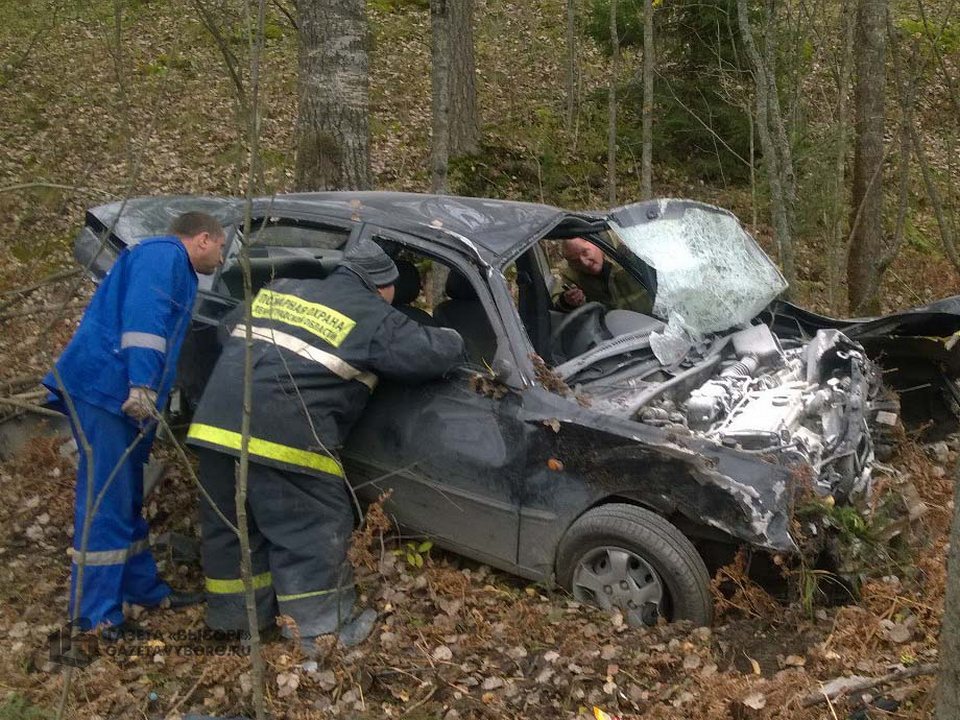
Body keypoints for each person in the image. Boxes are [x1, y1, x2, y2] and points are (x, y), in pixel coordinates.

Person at [186, 238, 465, 648]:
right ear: (382, 287)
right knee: (311, 529)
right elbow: (429, 354)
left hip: (215, 426)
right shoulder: (373, 315)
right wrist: (458, 337)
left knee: (232, 529)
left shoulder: (282, 291)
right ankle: (320, 632)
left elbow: (228, 330)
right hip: (284, 440)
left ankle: (237, 621)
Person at [43, 211, 226, 634]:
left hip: (114, 392)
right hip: (110, 391)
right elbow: (144, 323)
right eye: (219, 248)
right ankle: (96, 618)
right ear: (202, 239)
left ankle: (143, 589)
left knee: (125, 498)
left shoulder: (164, 261)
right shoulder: (163, 257)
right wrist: (141, 383)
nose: (221, 259)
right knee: (106, 501)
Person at [553, 236, 654, 314]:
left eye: (585, 252)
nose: (585, 263)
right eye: (575, 261)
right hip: (617, 335)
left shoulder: (627, 252)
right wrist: (567, 301)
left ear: (596, 244)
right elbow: (555, 302)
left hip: (655, 322)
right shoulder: (571, 275)